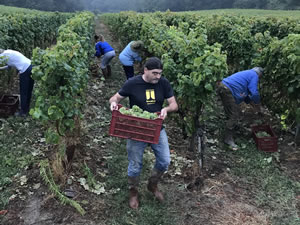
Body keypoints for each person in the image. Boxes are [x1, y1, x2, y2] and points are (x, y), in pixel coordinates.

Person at [109, 57, 178, 209]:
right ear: (145, 70)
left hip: (156, 128)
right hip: (137, 129)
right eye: (154, 73)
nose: (157, 77)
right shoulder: (133, 83)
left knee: (165, 160)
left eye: (160, 73)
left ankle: (152, 185)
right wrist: (114, 104)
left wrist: (166, 109)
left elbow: (174, 104)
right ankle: (133, 191)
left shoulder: (163, 83)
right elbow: (115, 98)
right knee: (135, 165)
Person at [217, 67, 264, 150]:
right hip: (227, 89)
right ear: (259, 75)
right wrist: (257, 103)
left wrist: (253, 104)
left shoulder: (247, 74)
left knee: (231, 113)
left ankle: (230, 131)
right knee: (234, 115)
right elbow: (254, 93)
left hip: (223, 86)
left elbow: (245, 97)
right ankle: (228, 139)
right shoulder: (254, 75)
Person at [0, 49, 34, 117]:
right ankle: (26, 109)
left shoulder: (2, 56)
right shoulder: (9, 52)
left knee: (23, 92)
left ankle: (23, 112)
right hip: (31, 66)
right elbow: (9, 66)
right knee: (28, 90)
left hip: (25, 70)